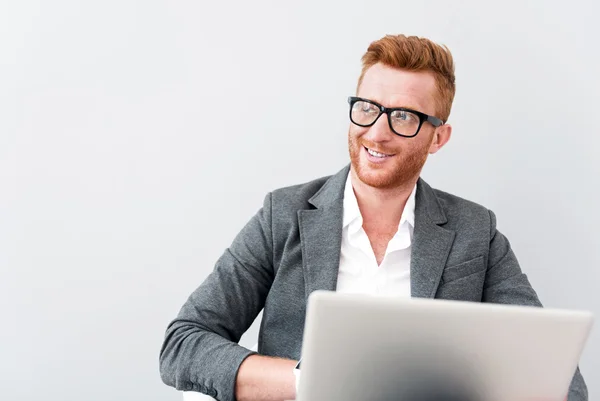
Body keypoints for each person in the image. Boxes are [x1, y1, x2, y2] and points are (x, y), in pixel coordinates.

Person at [159, 34, 587, 401]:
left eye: (403, 116)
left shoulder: (477, 232)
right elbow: (183, 344)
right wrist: (306, 381)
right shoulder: (283, 216)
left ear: (438, 137)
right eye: (367, 107)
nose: (377, 132)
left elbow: (558, 376)